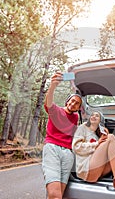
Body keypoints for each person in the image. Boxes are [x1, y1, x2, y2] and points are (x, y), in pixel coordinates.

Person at [42, 71, 82, 199]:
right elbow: (48, 103)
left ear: (78, 108)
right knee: (55, 195)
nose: (73, 104)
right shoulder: (56, 111)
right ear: (67, 101)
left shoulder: (75, 118)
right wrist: (53, 86)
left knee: (60, 194)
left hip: (68, 154)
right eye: (72, 101)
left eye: (77, 103)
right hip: (52, 148)